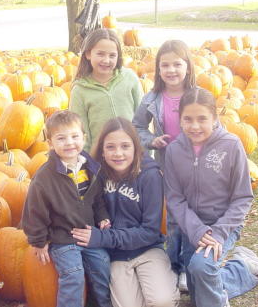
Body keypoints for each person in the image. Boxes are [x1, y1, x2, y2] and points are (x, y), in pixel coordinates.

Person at [164, 88, 258, 307]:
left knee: (201, 268)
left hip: (223, 224)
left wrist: (217, 233)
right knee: (198, 290)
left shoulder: (231, 145)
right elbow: (175, 199)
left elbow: (243, 197)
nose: (195, 126)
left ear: (214, 118)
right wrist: (197, 231)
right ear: (180, 119)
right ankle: (242, 266)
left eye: (202, 119)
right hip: (192, 227)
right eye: (188, 119)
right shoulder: (174, 151)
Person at [71, 117, 180, 307]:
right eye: (110, 147)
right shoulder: (95, 175)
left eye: (125, 146)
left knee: (162, 302)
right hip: (116, 256)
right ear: (102, 151)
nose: (118, 153)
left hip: (148, 249)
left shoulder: (150, 175)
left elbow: (150, 231)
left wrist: (101, 238)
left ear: (135, 147)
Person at [21, 110, 112, 307]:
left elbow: (96, 199)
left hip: (88, 234)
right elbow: (35, 210)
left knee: (102, 265)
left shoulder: (91, 168)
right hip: (62, 237)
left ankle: (101, 304)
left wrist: (102, 217)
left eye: (74, 136)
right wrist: (39, 240)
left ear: (84, 138)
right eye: (61, 138)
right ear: (51, 143)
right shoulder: (45, 177)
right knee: (74, 275)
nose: (69, 143)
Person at [132, 39, 196, 292]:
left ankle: (188, 268)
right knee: (172, 219)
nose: (171, 70)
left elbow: (214, 127)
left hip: (194, 167)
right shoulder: (152, 99)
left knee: (191, 216)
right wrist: (151, 140)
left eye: (177, 64)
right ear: (158, 69)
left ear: (188, 66)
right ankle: (174, 265)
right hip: (167, 166)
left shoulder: (197, 96)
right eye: (165, 65)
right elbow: (137, 127)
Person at [69, 28, 144, 152]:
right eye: (100, 54)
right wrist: (88, 165)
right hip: (100, 159)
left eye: (112, 55)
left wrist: (145, 154)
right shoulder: (79, 91)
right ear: (88, 54)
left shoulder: (129, 78)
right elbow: (81, 134)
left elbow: (142, 120)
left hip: (132, 155)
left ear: (118, 56)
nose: (106, 60)